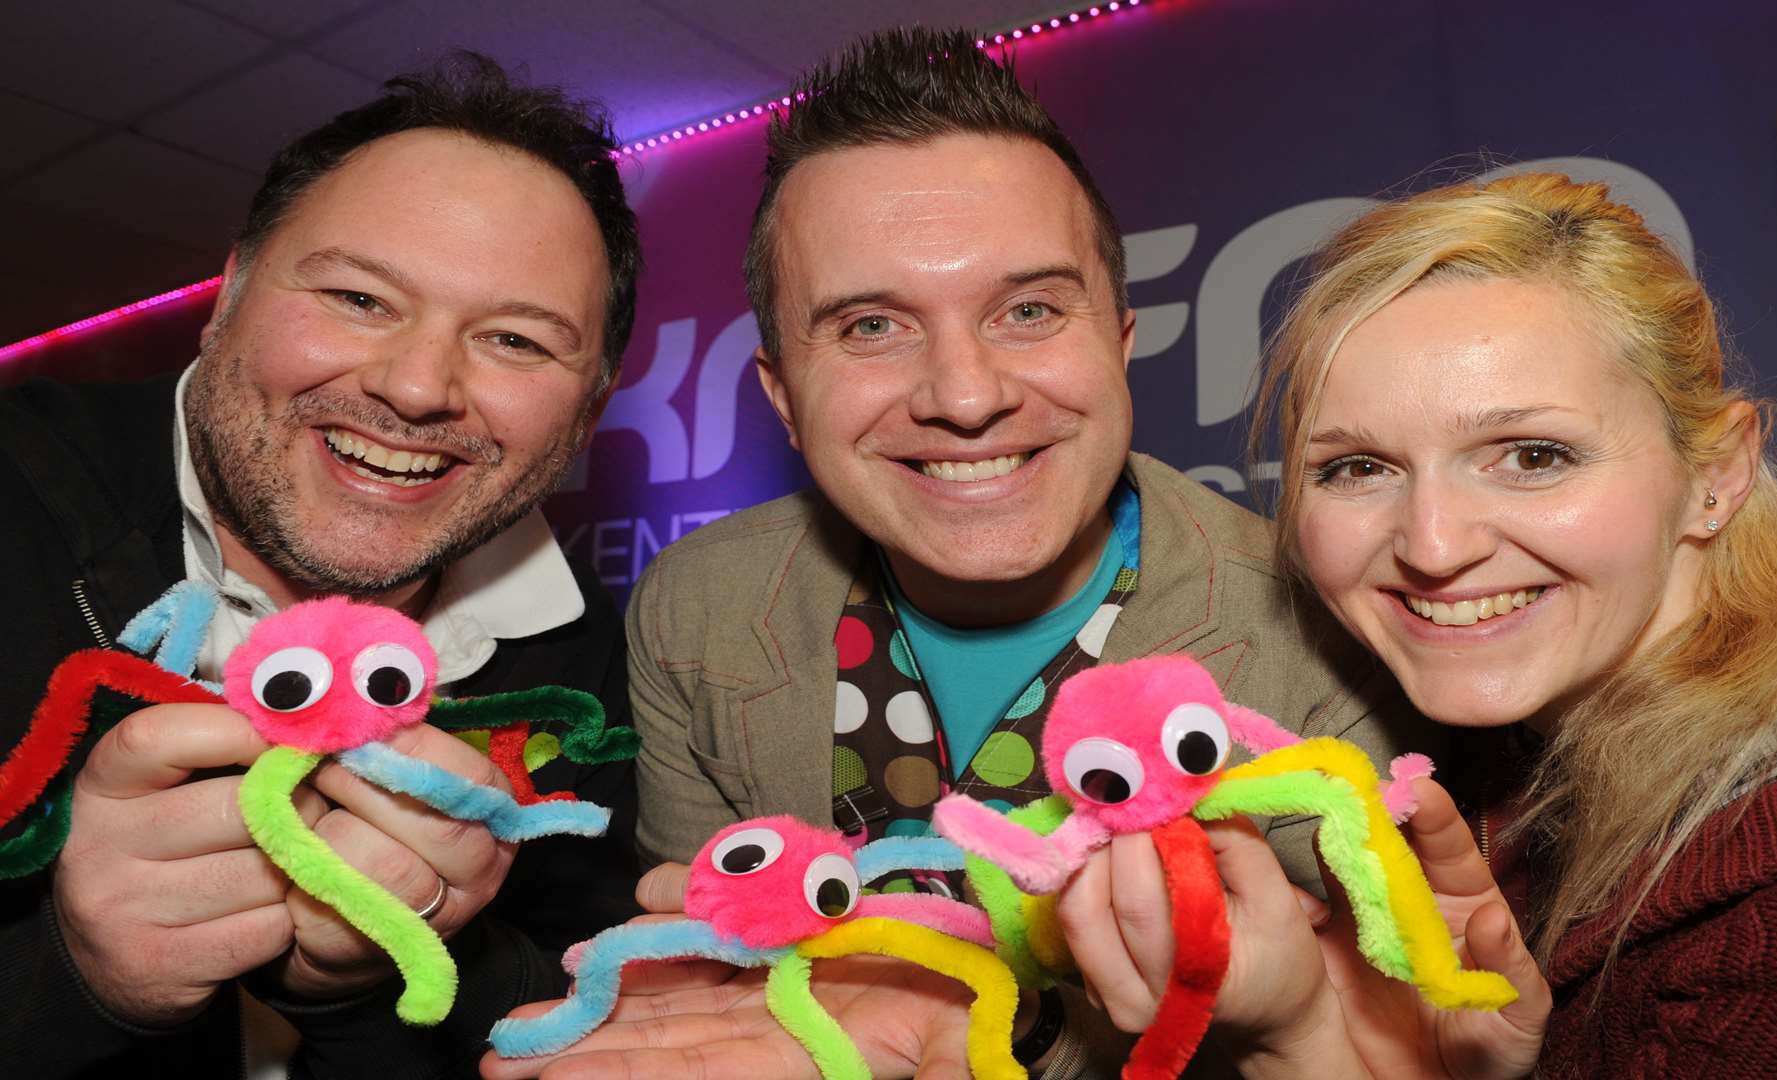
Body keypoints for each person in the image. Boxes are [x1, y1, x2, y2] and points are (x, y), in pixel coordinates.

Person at [481, 26, 1430, 1080]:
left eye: (1028, 310)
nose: (967, 395)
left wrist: (1001, 1026)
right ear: (784, 399)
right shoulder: (696, 610)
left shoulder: (1333, 648)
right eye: (872, 327)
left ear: (1118, 340)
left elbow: (1365, 1039)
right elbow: (720, 984)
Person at [1053, 171, 1777, 1077]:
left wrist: (1297, 1043)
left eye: (1533, 456)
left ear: (1718, 474)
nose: (1432, 546)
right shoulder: (1516, 747)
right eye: (1357, 468)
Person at [0, 53, 647, 1077]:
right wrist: (69, 976)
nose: (420, 386)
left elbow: (575, 1019)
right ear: (226, 299)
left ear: (586, 411)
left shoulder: (573, 654)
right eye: (358, 297)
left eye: (517, 341)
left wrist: (378, 976)